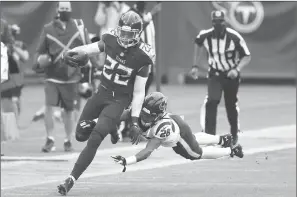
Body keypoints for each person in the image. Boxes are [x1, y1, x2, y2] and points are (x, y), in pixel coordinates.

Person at [57, 10, 155, 195]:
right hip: (101, 93)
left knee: (94, 138)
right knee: (80, 136)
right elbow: (90, 48)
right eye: (122, 32)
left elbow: (139, 92)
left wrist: (134, 120)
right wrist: (68, 53)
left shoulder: (143, 57)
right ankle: (111, 126)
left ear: (137, 34)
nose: (124, 37)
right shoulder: (110, 40)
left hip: (118, 100)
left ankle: (70, 179)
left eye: (129, 34)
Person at [109, 92, 243, 171]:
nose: (144, 117)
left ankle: (231, 150)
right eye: (143, 113)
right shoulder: (137, 112)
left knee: (196, 154)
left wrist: (128, 161)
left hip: (176, 136)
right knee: (193, 139)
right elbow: (113, 117)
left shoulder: (161, 127)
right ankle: (222, 139)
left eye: (149, 115)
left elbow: (147, 151)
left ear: (158, 115)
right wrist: (94, 124)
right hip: (177, 123)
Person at [32, 1, 100, 153]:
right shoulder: (48, 29)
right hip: (52, 76)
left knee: (69, 110)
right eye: (62, 9)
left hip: (71, 76)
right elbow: (40, 51)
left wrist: (97, 66)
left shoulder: (78, 26)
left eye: (67, 9)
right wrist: (39, 61)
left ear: (70, 10)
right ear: (57, 10)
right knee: (49, 107)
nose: (64, 11)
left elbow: (88, 47)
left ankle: (68, 140)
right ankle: (50, 139)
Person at [189, 10, 251, 145]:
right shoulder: (206, 36)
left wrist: (236, 69)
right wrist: (195, 65)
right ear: (212, 23)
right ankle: (210, 136)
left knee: (230, 105)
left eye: (221, 22)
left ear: (225, 21)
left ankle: (234, 134)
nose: (218, 25)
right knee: (212, 101)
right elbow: (197, 43)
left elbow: (246, 55)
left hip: (230, 75)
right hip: (215, 73)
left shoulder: (234, 37)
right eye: (215, 22)